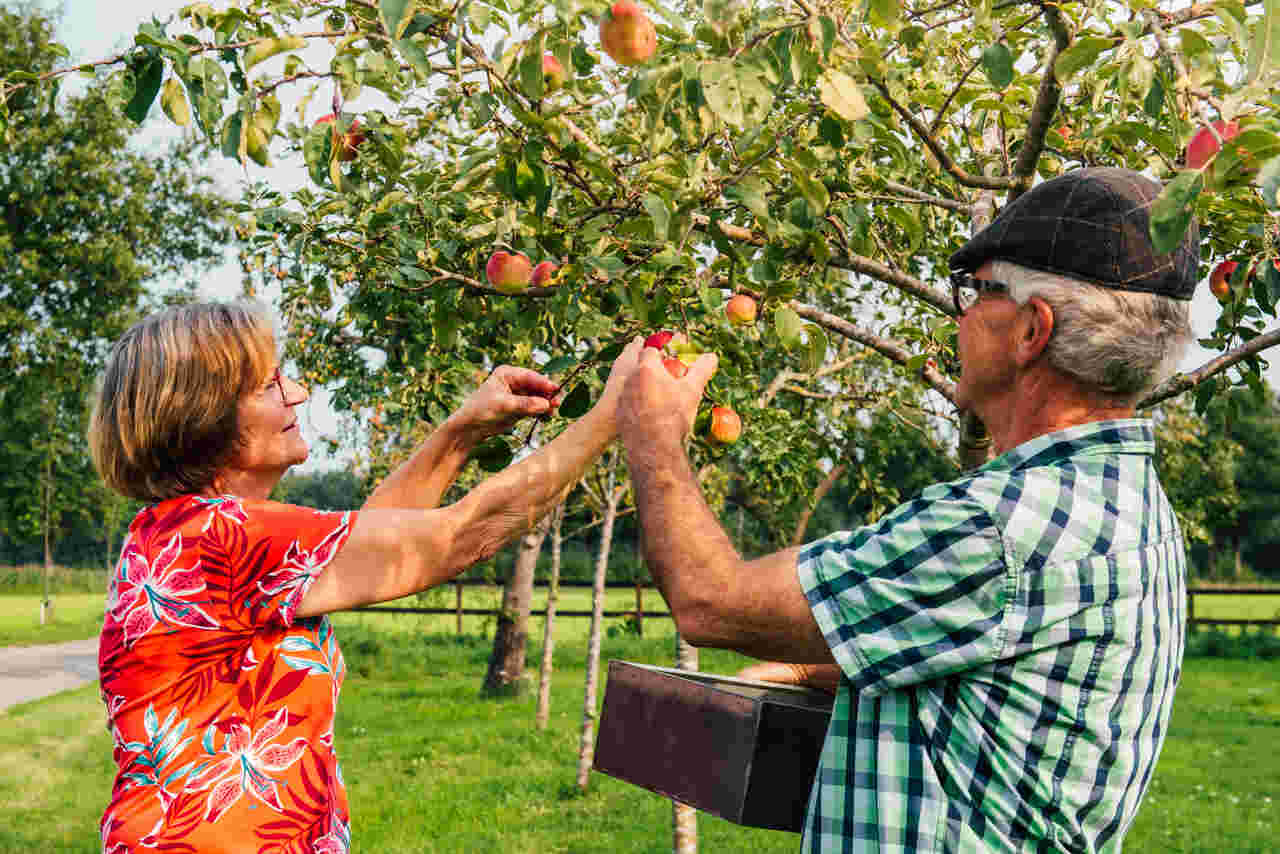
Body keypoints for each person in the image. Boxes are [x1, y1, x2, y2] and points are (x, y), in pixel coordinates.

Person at [617, 167, 1198, 852]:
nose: (961, 314)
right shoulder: (1133, 505)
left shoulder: (1000, 526)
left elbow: (710, 602)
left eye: (978, 291)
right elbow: (1002, 675)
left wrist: (652, 431)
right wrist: (814, 665)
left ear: (1031, 331)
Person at [88, 300, 642, 853]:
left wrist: (462, 432)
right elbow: (457, 539)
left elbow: (378, 540)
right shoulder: (213, 539)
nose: (297, 393)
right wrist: (610, 416)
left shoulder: (193, 535)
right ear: (201, 415)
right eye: (267, 385)